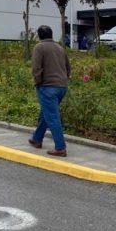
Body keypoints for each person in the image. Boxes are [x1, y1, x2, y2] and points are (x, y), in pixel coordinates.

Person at [28, 25, 71, 157]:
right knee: (46, 114)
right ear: (51, 35)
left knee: (52, 117)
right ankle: (36, 139)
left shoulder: (39, 47)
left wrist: (38, 82)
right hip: (62, 87)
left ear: (39, 35)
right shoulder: (60, 47)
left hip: (47, 87)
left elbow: (36, 68)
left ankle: (60, 147)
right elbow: (68, 67)